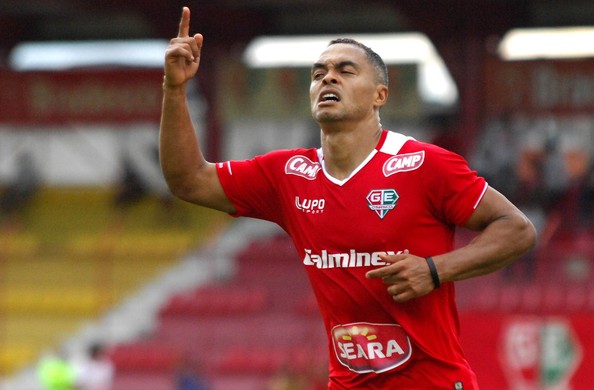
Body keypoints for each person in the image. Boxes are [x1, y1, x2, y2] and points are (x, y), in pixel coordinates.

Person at [159, 7, 537, 389]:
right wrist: (174, 90)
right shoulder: (287, 174)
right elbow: (189, 180)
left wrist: (435, 270)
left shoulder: (425, 164)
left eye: (345, 70)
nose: (328, 78)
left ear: (380, 95)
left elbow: (518, 230)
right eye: (319, 73)